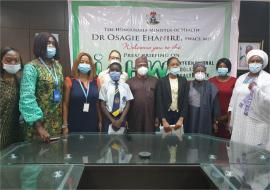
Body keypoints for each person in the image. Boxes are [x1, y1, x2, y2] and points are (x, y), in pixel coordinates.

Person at [19, 32, 63, 142]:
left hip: (56, 120)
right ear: (40, 45)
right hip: (38, 124)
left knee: (56, 155)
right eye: (48, 43)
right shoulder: (31, 67)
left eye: (53, 44)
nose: (51, 46)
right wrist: (38, 126)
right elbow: (27, 97)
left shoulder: (57, 66)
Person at [229, 49, 270, 150]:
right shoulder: (241, 78)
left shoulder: (267, 79)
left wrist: (256, 90)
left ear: (262, 63)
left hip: (257, 122)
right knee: (238, 149)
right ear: (248, 63)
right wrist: (230, 119)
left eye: (258, 61)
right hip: (239, 121)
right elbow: (233, 100)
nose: (254, 63)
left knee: (254, 152)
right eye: (252, 61)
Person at [63, 52, 102, 133]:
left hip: (92, 123)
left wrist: (100, 121)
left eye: (87, 62)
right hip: (74, 123)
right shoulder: (69, 80)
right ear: (77, 64)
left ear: (91, 65)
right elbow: (65, 104)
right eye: (82, 62)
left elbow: (98, 104)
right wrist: (65, 125)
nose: (85, 64)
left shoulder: (96, 81)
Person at [186, 62, 220, 135]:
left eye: (202, 71)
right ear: (193, 72)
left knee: (204, 142)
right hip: (191, 120)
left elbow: (215, 106)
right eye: (197, 71)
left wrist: (215, 122)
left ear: (205, 72)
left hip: (206, 120)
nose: (200, 73)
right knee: (191, 142)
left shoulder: (211, 87)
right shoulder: (188, 86)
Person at [156, 57, 189, 133]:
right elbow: (159, 101)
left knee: (178, 140)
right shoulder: (161, 81)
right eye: (172, 64)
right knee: (165, 140)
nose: (175, 66)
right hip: (166, 115)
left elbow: (185, 100)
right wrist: (163, 120)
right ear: (168, 67)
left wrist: (181, 119)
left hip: (179, 116)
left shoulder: (184, 81)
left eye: (177, 64)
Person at [126, 55, 159, 133]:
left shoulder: (155, 81)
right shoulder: (129, 82)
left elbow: (158, 101)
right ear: (135, 67)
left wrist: (157, 117)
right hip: (134, 117)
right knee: (135, 141)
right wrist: (126, 119)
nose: (142, 67)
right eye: (140, 65)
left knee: (149, 141)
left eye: (144, 65)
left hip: (151, 117)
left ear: (148, 66)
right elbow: (126, 103)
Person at [99, 62, 133, 134]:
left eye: (117, 70)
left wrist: (121, 120)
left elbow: (128, 103)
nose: (115, 72)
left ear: (121, 72)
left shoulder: (126, 86)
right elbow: (102, 104)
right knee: (108, 142)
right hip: (108, 117)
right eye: (112, 70)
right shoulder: (104, 86)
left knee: (121, 142)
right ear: (109, 72)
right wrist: (112, 120)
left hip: (121, 117)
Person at [0, 47, 23, 149]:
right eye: (8, 60)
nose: (13, 63)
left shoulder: (20, 82)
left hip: (14, 135)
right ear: (1, 61)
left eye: (16, 60)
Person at [209, 58, 237, 139]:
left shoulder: (235, 81)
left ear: (228, 68)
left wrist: (228, 117)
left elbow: (237, 101)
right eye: (220, 66)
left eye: (224, 66)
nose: (222, 68)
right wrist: (214, 119)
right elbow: (208, 101)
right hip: (214, 119)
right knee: (214, 145)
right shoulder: (211, 81)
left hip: (229, 118)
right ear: (217, 68)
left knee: (227, 144)